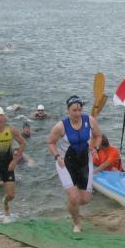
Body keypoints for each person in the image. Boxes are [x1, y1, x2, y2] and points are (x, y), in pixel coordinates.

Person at [47, 96, 102, 233]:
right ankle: (77, 223)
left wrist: (95, 148)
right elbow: (50, 142)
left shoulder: (89, 120)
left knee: (85, 199)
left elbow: (98, 136)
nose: (77, 113)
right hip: (65, 163)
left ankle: (72, 205)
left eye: (79, 110)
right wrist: (57, 156)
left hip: (85, 161)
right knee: (73, 198)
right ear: (68, 110)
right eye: (74, 110)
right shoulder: (61, 126)